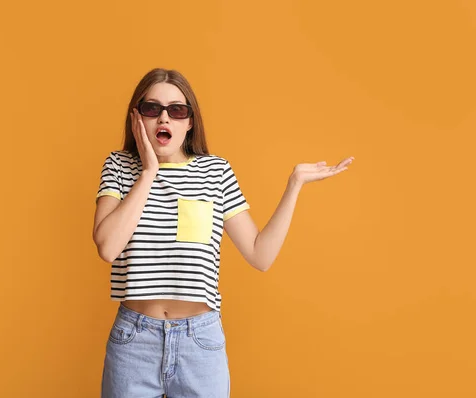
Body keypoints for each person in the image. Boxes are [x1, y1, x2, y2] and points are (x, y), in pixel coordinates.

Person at [93, 68, 354, 398]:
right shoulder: (118, 166)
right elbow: (107, 247)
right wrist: (147, 173)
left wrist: (294, 185)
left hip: (199, 343)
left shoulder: (216, 172)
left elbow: (260, 255)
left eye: (177, 110)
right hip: (134, 341)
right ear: (136, 118)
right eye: (151, 108)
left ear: (189, 122)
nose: (164, 118)